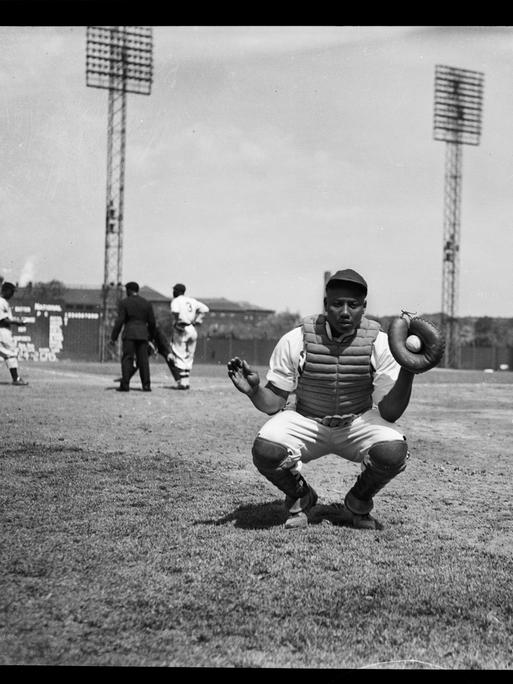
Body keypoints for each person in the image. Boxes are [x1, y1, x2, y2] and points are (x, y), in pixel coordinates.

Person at [227, 268, 414, 531]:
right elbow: (273, 404)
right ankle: (301, 495)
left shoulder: (380, 343)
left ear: (364, 307)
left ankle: (358, 500)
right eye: (337, 304)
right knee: (266, 450)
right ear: (326, 305)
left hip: (356, 422)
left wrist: (409, 369)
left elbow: (390, 413)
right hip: (308, 420)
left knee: (393, 451)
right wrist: (254, 391)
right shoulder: (297, 339)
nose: (345, 312)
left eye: (353, 305)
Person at [109, 281, 156, 392]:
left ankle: (125, 385)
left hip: (129, 334)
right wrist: (151, 338)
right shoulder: (146, 303)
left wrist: (113, 337)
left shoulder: (125, 303)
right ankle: (146, 385)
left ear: (129, 290)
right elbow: (152, 322)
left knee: (127, 359)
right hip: (143, 335)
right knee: (143, 360)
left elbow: (119, 321)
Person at [168, 283, 209, 390]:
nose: (173, 292)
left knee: (180, 354)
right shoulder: (191, 300)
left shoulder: (176, 300)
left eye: (174, 290)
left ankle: (183, 382)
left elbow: (175, 312)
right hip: (192, 328)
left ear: (177, 291)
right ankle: (186, 381)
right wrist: (198, 319)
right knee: (190, 355)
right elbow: (205, 309)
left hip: (181, 328)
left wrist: (176, 322)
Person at [0, 281, 29, 386]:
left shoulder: (3, 302)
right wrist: (17, 322)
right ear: (6, 291)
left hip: (3, 330)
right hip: (2, 331)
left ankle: (16, 378)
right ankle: (16, 378)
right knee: (11, 353)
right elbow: (2, 320)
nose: (12, 294)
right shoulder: (1, 302)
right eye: (11, 291)